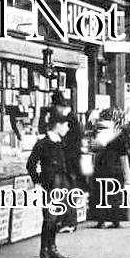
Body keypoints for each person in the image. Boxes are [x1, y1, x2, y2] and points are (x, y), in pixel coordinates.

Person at [26, 110, 73, 258]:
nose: (67, 128)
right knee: (49, 218)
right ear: (57, 125)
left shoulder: (61, 142)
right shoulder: (43, 143)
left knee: (57, 217)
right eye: (65, 125)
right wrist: (38, 179)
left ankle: (52, 247)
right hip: (51, 185)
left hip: (61, 184)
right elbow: (31, 164)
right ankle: (44, 251)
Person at [88, 108, 130, 228]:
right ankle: (115, 220)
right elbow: (124, 156)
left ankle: (101, 220)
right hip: (116, 168)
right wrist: (128, 176)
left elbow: (93, 147)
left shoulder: (98, 131)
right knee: (115, 195)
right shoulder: (119, 134)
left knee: (101, 194)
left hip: (101, 167)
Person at [49, 91, 84, 233]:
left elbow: (68, 139)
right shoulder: (71, 117)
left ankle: (69, 222)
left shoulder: (68, 119)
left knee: (67, 189)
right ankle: (67, 221)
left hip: (69, 159)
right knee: (67, 189)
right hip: (71, 158)